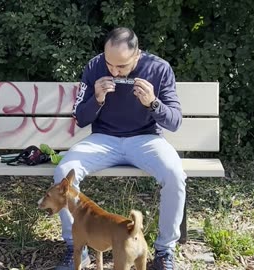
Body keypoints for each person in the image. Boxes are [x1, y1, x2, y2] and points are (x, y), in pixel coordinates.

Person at [53, 27, 186, 270]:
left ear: (137, 56)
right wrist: (97, 99)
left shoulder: (159, 68)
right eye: (110, 64)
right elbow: (81, 118)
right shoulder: (94, 66)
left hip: (146, 139)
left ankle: (165, 252)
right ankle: (76, 249)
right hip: (103, 139)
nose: (114, 71)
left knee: (175, 175)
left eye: (122, 67)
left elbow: (174, 121)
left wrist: (153, 103)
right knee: (64, 172)